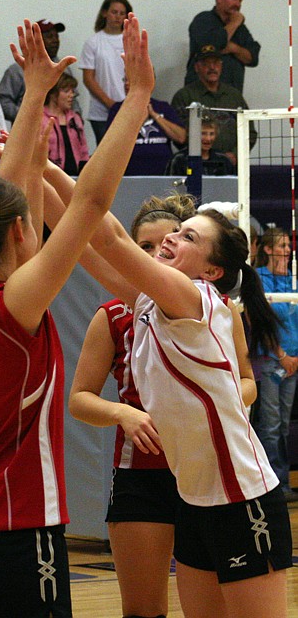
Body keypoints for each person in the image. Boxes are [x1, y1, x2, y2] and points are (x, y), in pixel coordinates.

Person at [0, 14, 154, 617]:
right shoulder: (13, 307)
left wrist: (31, 94)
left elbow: (12, 189)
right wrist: (136, 98)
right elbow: (93, 202)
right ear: (19, 235)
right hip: (15, 530)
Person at [82, 205, 292, 616]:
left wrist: (46, 166)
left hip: (241, 497)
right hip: (193, 500)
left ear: (211, 271)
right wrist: (38, 175)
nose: (171, 238)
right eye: (178, 230)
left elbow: (106, 236)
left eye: (189, 237)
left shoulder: (195, 299)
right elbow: (87, 242)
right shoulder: (147, 304)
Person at [70, 193, 195, 618]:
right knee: (143, 610)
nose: (156, 257)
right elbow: (80, 399)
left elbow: (246, 382)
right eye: (144, 247)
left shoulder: (210, 311)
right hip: (141, 476)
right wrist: (123, 412)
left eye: (166, 245)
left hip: (205, 472)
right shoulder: (113, 315)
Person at [255, 228, 298, 502]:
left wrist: (293, 358)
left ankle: (282, 484)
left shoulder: (293, 277)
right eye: (281, 245)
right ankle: (270, 486)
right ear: (268, 249)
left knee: (282, 424)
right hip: (271, 359)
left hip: (293, 362)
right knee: (270, 424)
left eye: (288, 245)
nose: (287, 250)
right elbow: (262, 322)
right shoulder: (261, 278)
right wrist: (281, 354)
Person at [172, 43, 257, 166]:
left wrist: (235, 154)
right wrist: (204, 155)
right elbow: (179, 135)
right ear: (197, 67)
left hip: (232, 167)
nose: (212, 67)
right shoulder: (184, 97)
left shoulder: (234, 96)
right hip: (196, 165)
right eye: (206, 63)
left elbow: (250, 132)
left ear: (221, 66)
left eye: (216, 62)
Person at [0, 19, 81, 124]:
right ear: (36, 41)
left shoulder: (63, 67)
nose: (55, 40)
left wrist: (76, 118)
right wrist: (27, 116)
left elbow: (74, 99)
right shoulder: (17, 70)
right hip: (29, 130)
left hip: (62, 130)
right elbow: (3, 102)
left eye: (56, 36)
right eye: (49, 37)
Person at [79, 0, 133, 144]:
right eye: (114, 12)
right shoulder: (93, 42)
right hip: (101, 113)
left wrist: (128, 104)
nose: (118, 17)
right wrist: (111, 104)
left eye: (122, 13)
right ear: (104, 13)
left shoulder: (132, 41)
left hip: (128, 109)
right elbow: (88, 78)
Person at [185, 0, 260, 92]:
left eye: (240, 0)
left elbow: (253, 58)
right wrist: (234, 23)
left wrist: (233, 48)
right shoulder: (203, 20)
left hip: (231, 95)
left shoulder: (241, 29)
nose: (237, 4)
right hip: (200, 95)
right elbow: (214, 46)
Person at [107, 75, 186, 175]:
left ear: (148, 82)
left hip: (162, 173)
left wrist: (155, 115)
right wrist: (139, 122)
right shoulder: (117, 109)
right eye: (125, 80)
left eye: (131, 80)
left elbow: (181, 137)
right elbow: (112, 143)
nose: (126, 83)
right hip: (130, 173)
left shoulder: (163, 107)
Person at [42, 73, 89, 175]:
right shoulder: (40, 119)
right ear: (53, 94)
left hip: (76, 176)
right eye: (66, 91)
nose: (71, 95)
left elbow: (84, 150)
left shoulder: (75, 118)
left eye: (72, 91)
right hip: (49, 176)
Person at [167, 113, 236, 175]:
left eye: (211, 134)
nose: (208, 138)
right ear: (192, 134)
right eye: (203, 133)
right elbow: (169, 187)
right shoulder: (178, 159)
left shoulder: (223, 159)